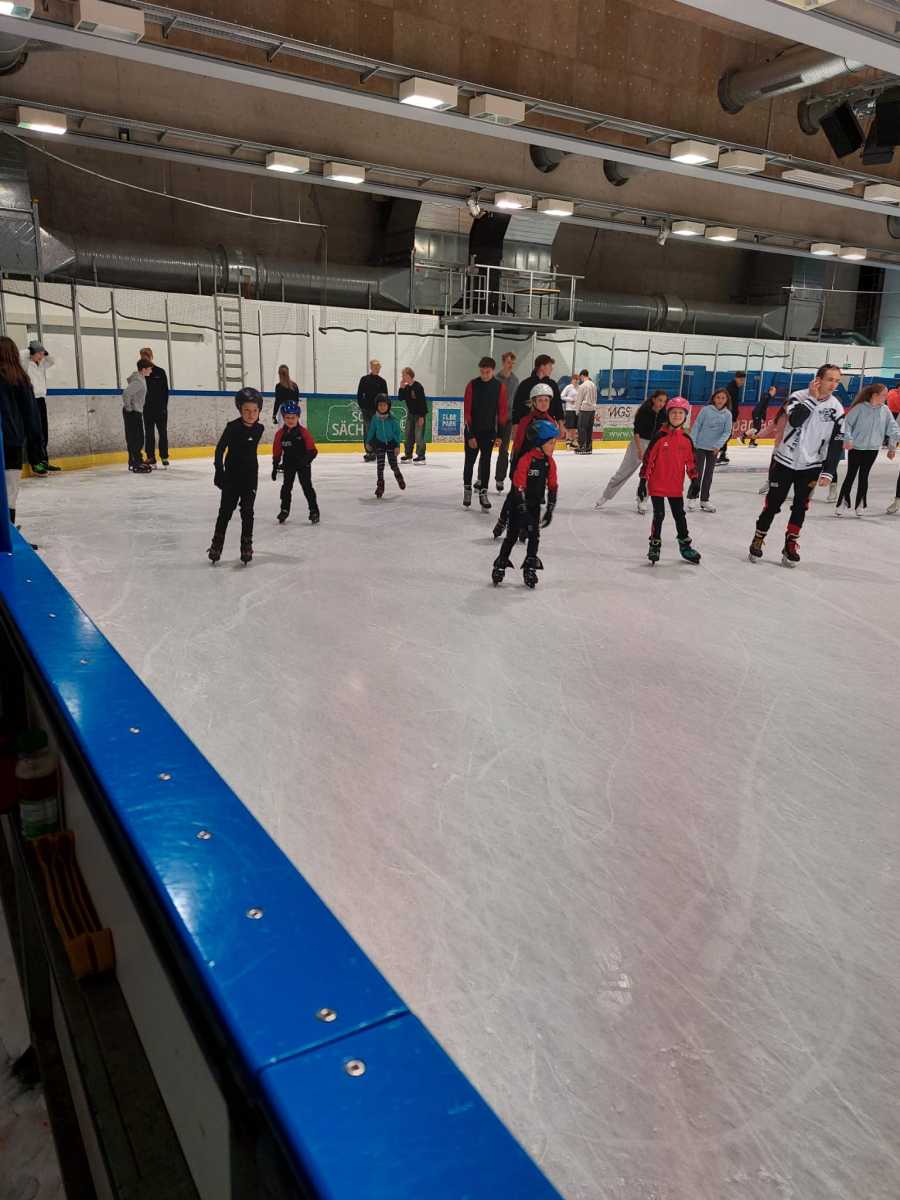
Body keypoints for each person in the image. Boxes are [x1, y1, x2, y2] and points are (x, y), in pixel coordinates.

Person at [748, 364, 844, 567]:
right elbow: (796, 420)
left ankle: (790, 543)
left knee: (801, 506)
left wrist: (829, 470)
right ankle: (759, 537)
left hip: (811, 465)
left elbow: (836, 442)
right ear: (818, 379)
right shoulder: (797, 397)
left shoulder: (836, 408)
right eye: (830, 379)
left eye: (837, 381)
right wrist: (812, 398)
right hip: (784, 460)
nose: (834, 384)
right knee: (773, 503)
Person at [491, 418, 558, 588]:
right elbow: (518, 484)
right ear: (540, 442)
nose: (554, 446)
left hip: (534, 507)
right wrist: (522, 508)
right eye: (551, 443)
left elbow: (552, 485)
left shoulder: (549, 463)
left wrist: (550, 508)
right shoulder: (526, 460)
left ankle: (530, 567)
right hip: (518, 505)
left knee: (534, 537)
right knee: (512, 536)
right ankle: (501, 563)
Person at [640, 397, 701, 564]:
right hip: (657, 484)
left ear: (685, 416)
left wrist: (695, 480)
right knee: (659, 515)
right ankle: (654, 544)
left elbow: (691, 462)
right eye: (674, 412)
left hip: (675, 485)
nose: (677, 416)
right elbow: (648, 460)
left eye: (680, 413)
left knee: (679, 515)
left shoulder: (686, 439)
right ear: (668, 414)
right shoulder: (659, 437)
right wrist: (642, 481)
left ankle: (685, 546)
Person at [208, 387, 264, 565]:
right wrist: (219, 470)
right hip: (231, 477)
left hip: (250, 477)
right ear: (240, 409)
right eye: (246, 410)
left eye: (255, 410)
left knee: (248, 511)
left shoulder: (259, 429)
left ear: (259, 411)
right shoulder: (232, 427)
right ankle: (217, 544)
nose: (251, 414)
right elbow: (220, 449)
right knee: (225, 512)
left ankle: (246, 546)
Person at [493, 382, 555, 539]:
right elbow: (518, 445)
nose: (543, 403)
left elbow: (550, 449)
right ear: (533, 402)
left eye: (546, 400)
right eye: (540, 400)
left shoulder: (551, 422)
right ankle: (503, 520)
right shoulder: (526, 421)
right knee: (514, 495)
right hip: (523, 464)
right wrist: (514, 466)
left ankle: (524, 527)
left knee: (533, 497)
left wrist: (547, 469)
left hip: (538, 467)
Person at [595, 389, 668, 513]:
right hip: (638, 443)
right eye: (660, 400)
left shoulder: (664, 415)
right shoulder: (644, 412)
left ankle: (642, 499)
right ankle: (606, 495)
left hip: (655, 445)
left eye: (664, 401)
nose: (662, 404)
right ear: (653, 399)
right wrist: (639, 449)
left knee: (650, 475)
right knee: (623, 472)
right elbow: (637, 432)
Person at [834, 383, 898, 515]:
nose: (886, 397)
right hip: (856, 447)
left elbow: (893, 428)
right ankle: (842, 503)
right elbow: (847, 424)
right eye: (884, 395)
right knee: (851, 475)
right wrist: (848, 439)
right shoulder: (860, 408)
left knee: (864, 476)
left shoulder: (885, 410)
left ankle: (860, 504)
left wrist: (893, 446)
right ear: (875, 395)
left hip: (873, 449)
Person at [0, 336, 42, 526]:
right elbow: (31, 415)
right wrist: (37, 448)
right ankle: (8, 531)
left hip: (8, 439)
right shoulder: (21, 379)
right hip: (12, 442)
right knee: (10, 490)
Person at [462, 356, 507, 511]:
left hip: (489, 433)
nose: (484, 375)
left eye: (487, 372)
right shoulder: (472, 385)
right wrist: (470, 435)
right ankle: (467, 490)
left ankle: (483, 493)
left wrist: (500, 435)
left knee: (486, 463)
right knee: (469, 462)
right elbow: (467, 412)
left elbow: (502, 412)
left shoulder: (499, 387)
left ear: (493, 371)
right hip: (473, 431)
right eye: (482, 372)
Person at [272, 400, 319, 524]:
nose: (290, 420)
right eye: (287, 418)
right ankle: (284, 510)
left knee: (307, 487)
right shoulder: (280, 434)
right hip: (288, 464)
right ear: (283, 418)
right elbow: (277, 451)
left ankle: (314, 511)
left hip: (303, 464)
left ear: (298, 417)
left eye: (293, 417)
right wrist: (275, 465)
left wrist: (305, 461)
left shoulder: (303, 432)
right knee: (286, 488)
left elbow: (313, 450)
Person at [687, 388, 732, 512]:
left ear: (726, 400)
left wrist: (718, 445)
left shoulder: (727, 414)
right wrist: (693, 442)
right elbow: (697, 425)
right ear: (713, 398)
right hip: (700, 446)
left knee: (708, 475)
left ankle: (704, 500)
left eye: (723, 398)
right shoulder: (706, 410)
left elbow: (727, 432)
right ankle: (693, 497)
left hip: (714, 449)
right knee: (697, 473)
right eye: (718, 397)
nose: (720, 400)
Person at [21, 341, 56, 474]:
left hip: (41, 398)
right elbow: (21, 355)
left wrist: (43, 351)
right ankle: (35, 462)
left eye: (42, 354)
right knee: (34, 431)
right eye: (39, 354)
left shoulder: (42, 363)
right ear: (32, 353)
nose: (42, 357)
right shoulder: (25, 363)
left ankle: (44, 461)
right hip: (31, 399)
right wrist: (31, 349)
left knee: (43, 431)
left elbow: (52, 360)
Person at [511, 355, 563, 439]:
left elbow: (558, 406)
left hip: (548, 426)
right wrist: (515, 426)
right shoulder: (525, 384)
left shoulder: (553, 385)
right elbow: (517, 407)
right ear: (542, 367)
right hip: (528, 427)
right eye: (549, 366)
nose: (551, 369)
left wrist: (561, 425)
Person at [366, 394, 405, 498]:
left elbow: (397, 433)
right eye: (380, 405)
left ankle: (398, 476)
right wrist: (368, 442)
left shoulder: (392, 418)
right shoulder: (375, 418)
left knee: (393, 465)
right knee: (380, 466)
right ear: (377, 406)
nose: (382, 407)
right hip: (380, 444)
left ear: (388, 406)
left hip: (392, 444)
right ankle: (380, 486)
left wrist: (397, 446)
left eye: (384, 405)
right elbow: (371, 431)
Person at [139, 347, 170, 468]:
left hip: (160, 409)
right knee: (149, 434)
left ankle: (164, 456)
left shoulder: (160, 372)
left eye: (146, 356)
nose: (144, 358)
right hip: (147, 409)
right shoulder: (142, 373)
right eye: (142, 356)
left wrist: (164, 407)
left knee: (163, 433)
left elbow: (165, 391)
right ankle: (151, 457)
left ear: (151, 356)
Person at [493, 350, 520, 488]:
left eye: (513, 363)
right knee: (486, 449)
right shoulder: (495, 379)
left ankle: (500, 478)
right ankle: (480, 478)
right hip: (493, 419)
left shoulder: (515, 381)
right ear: (503, 362)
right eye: (509, 362)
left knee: (504, 450)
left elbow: (516, 401)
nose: (511, 365)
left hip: (508, 420)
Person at [122, 359, 153, 474]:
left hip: (136, 411)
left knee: (136, 438)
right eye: (149, 369)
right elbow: (126, 393)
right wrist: (129, 408)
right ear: (143, 369)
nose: (150, 371)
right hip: (133, 412)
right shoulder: (138, 381)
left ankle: (135, 460)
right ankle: (136, 461)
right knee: (136, 438)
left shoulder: (140, 379)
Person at [357, 359, 387, 463]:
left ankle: (376, 451)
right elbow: (360, 394)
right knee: (368, 431)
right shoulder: (364, 379)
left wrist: (383, 410)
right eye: (375, 367)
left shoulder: (382, 381)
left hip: (378, 411)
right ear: (371, 367)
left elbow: (385, 397)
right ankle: (369, 452)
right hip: (366, 410)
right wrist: (362, 406)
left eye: (378, 367)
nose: (377, 369)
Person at [398, 367, 428, 464]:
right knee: (408, 435)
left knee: (419, 436)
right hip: (410, 415)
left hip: (419, 415)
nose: (402, 377)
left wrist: (422, 416)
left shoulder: (418, 386)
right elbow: (400, 398)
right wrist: (401, 387)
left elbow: (422, 402)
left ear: (408, 375)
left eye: (403, 375)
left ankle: (421, 456)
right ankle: (408, 455)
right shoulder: (407, 388)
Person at [718, 371, 745, 463]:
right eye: (741, 380)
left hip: (729, 415)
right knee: (726, 434)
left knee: (727, 434)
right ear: (736, 378)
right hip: (728, 415)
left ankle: (722, 454)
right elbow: (730, 404)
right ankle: (720, 454)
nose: (742, 382)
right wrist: (732, 417)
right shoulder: (731, 389)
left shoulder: (734, 387)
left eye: (743, 380)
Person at [574, 370, 597, 453]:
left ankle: (582, 446)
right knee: (589, 428)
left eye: (580, 377)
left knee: (582, 428)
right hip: (592, 409)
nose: (580, 379)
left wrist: (577, 411)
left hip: (584, 409)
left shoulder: (582, 386)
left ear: (582, 376)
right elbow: (595, 398)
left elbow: (579, 399)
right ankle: (589, 447)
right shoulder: (593, 385)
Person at [561, 374, 579, 448]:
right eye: (574, 379)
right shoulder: (568, 387)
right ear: (572, 380)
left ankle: (573, 441)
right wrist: (570, 399)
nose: (576, 381)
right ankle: (568, 441)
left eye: (577, 379)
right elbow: (562, 396)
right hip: (569, 409)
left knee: (574, 427)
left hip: (576, 409)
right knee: (569, 426)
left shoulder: (579, 388)